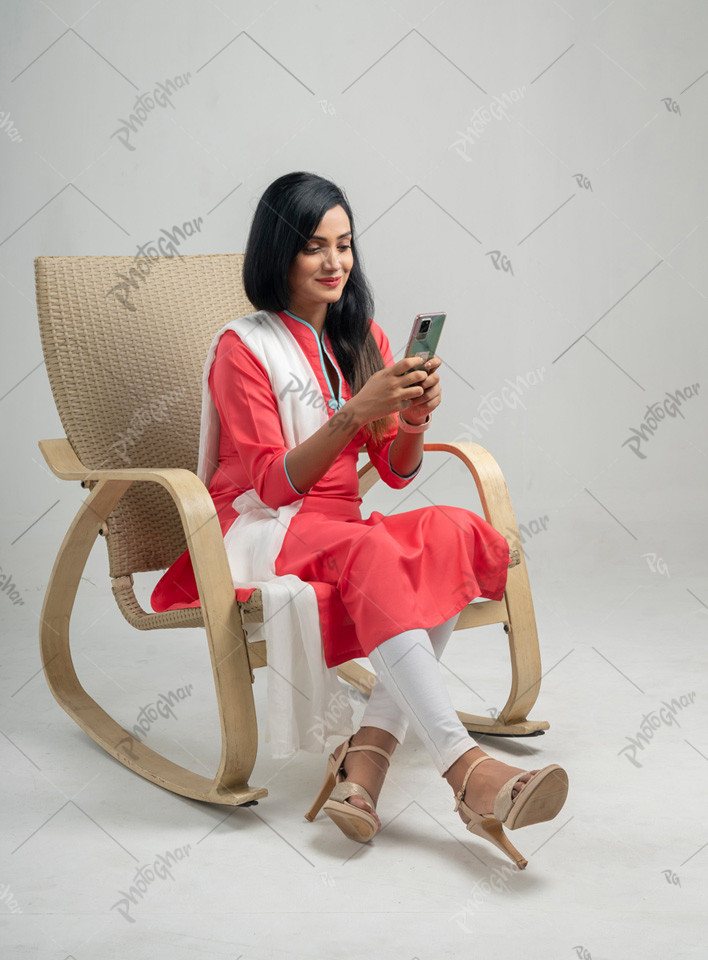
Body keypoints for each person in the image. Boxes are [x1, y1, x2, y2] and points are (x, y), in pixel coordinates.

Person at [151, 172, 568, 869]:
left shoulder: (359, 337)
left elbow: (398, 471)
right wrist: (353, 411)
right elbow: (271, 485)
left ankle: (366, 760)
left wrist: (411, 420)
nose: (336, 262)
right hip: (259, 531)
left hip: (336, 530)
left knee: (452, 532)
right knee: (373, 552)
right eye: (315, 247)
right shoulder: (240, 350)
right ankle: (466, 771)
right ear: (277, 255)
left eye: (345, 245)